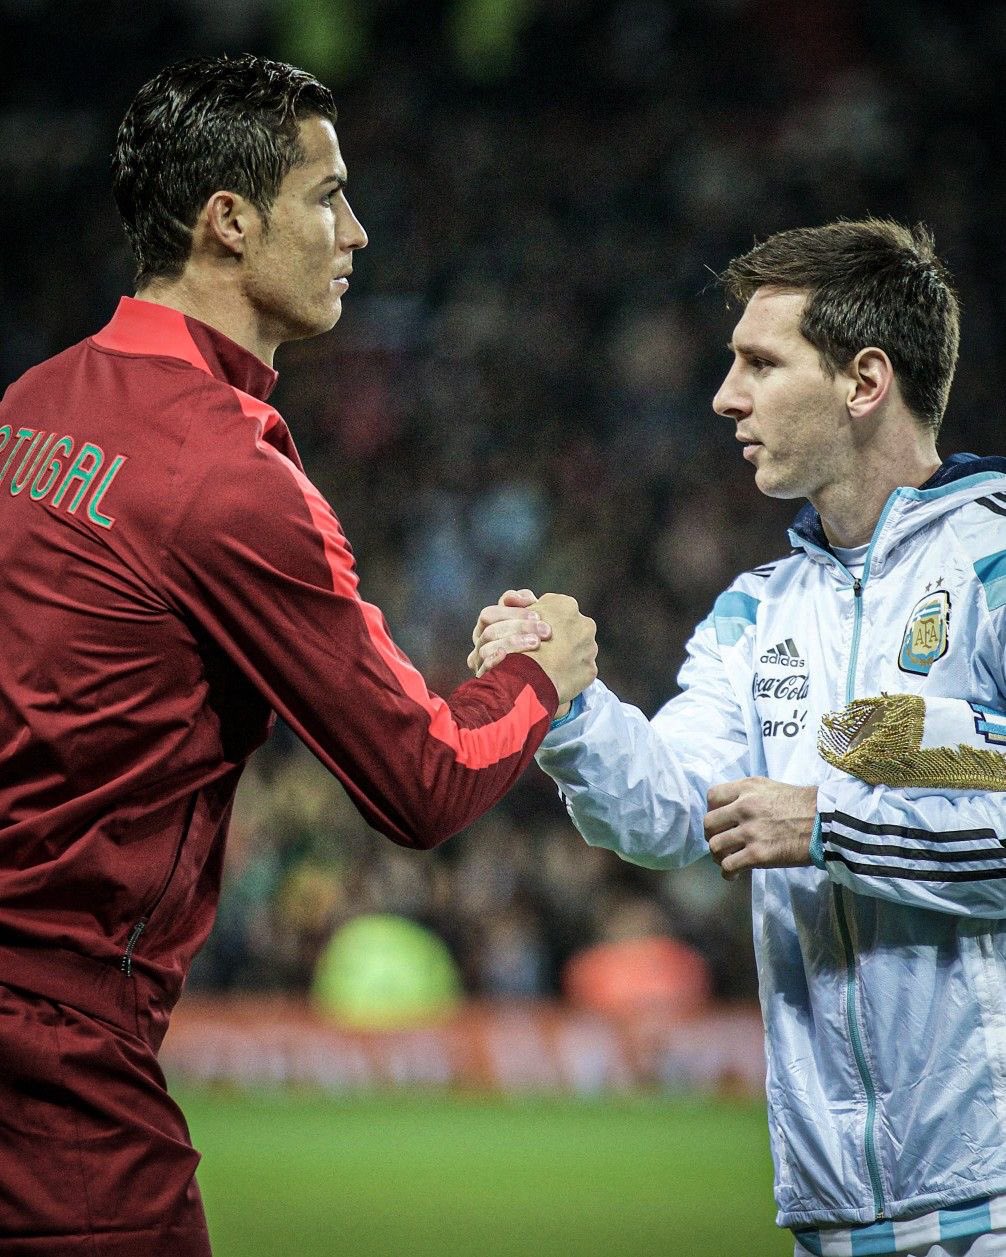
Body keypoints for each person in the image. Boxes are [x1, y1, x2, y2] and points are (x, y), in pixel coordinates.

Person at [0, 54, 597, 1256]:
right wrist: (540, 672)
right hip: (53, 1052)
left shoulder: (32, 405)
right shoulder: (223, 476)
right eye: (327, 196)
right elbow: (422, 780)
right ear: (228, 221)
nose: (357, 233)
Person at [472, 219, 1006, 1257]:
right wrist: (566, 704)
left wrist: (831, 825)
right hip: (830, 1210)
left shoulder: (993, 563)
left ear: (863, 382)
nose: (725, 395)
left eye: (760, 362)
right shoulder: (754, 612)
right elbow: (677, 811)